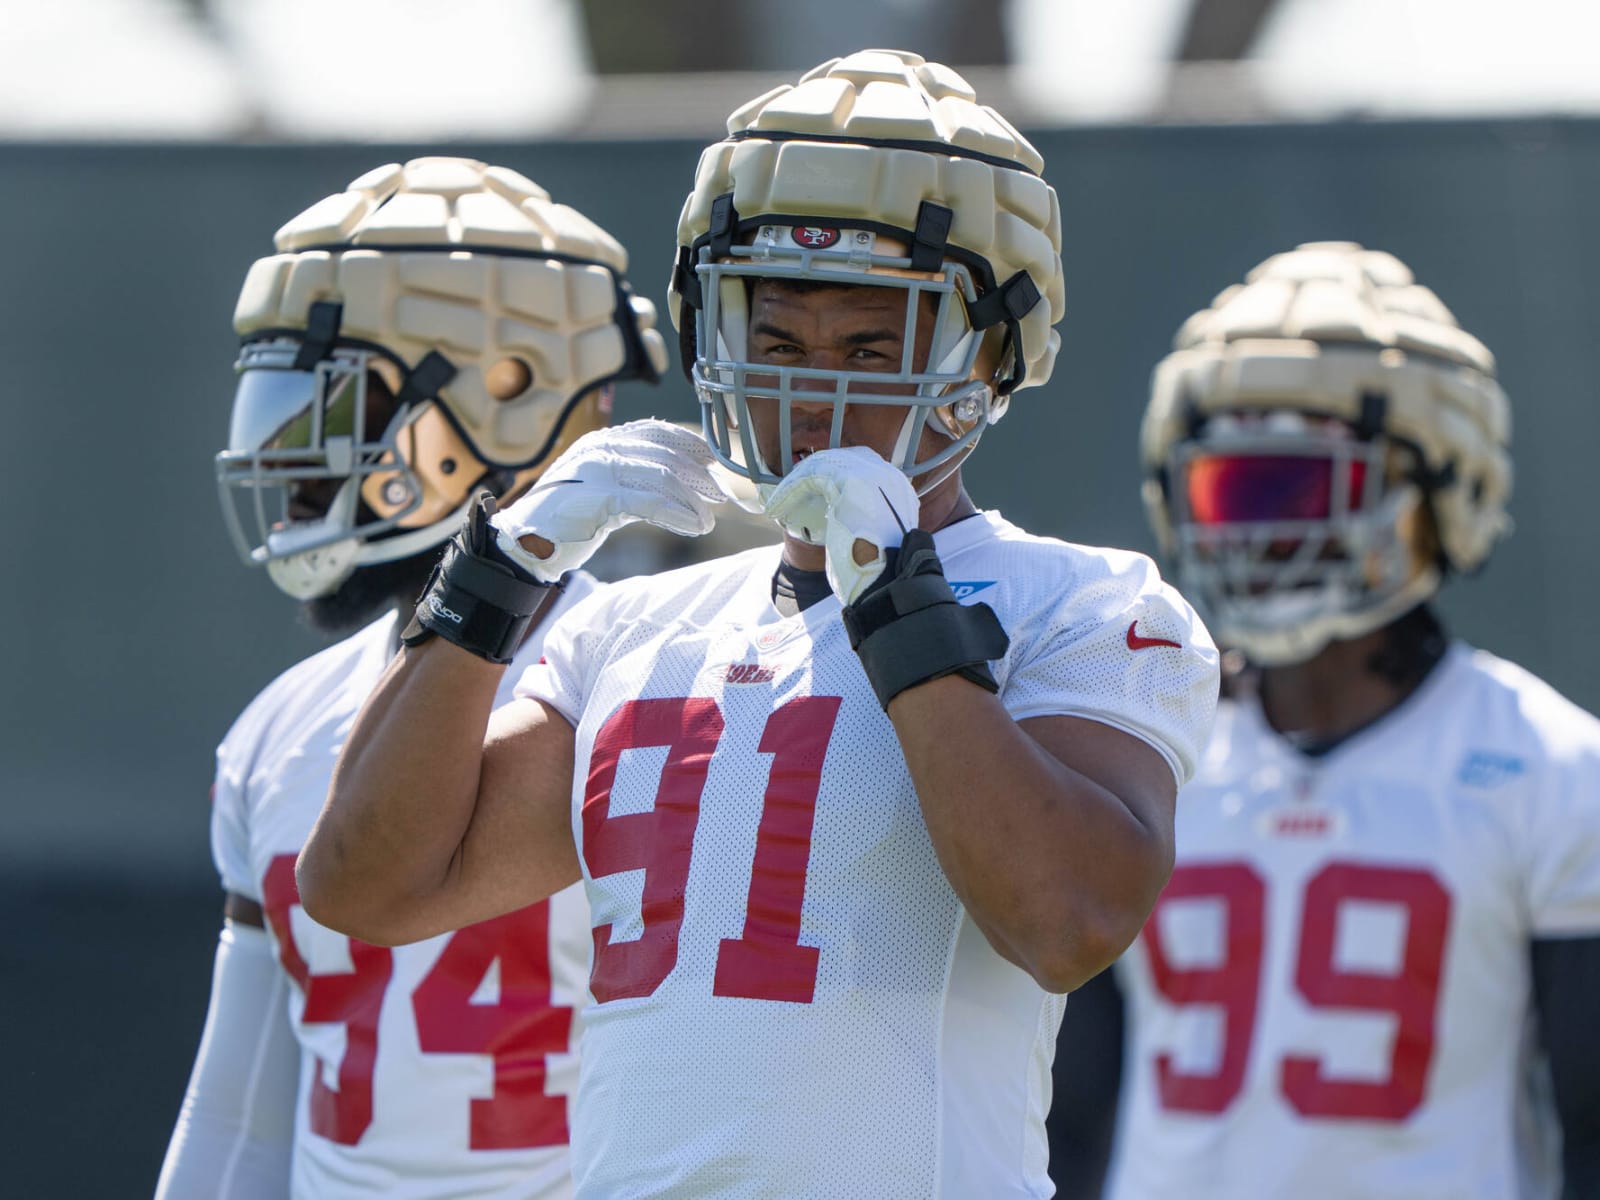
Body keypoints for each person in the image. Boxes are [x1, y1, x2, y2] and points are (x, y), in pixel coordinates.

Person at [298, 50, 1221, 1198]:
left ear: (988, 356)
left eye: (869, 349)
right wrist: (494, 572)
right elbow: (365, 886)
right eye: (776, 342)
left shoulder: (1086, 602)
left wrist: (894, 597)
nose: (810, 390)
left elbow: (1066, 920)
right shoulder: (628, 628)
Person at [156, 156, 668, 1198]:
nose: (291, 463)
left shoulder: (669, 681)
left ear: (508, 400)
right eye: (279, 403)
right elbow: (242, 1112)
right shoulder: (280, 725)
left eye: (335, 403)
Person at [1061, 241, 1600, 1199]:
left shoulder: (1555, 770)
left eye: (1298, 487)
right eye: (1229, 490)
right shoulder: (1146, 749)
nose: (1262, 533)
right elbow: (1071, 1110)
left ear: (1435, 494)